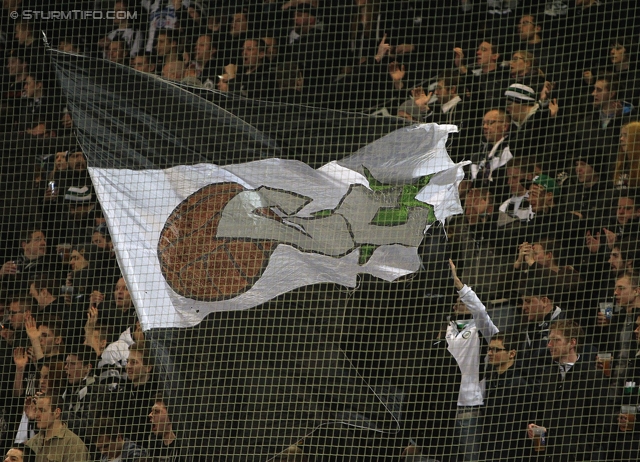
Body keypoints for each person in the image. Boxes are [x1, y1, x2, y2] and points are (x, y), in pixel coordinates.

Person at [526, 320, 606, 461]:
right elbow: (542, 412)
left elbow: (599, 425)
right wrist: (535, 427)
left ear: (572, 343)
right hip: (547, 456)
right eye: (550, 340)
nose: (549, 345)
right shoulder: (547, 375)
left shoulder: (592, 376)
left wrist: (578, 452)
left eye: (556, 340)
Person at [445, 259, 499, 461]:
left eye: (463, 300)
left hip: (469, 406)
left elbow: (480, 312)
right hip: (444, 405)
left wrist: (458, 284)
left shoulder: (481, 329)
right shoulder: (444, 329)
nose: (459, 303)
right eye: (457, 300)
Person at [483, 333, 532, 461]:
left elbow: (512, 429)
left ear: (512, 353)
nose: (490, 353)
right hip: (490, 448)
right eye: (489, 349)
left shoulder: (517, 384)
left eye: (496, 350)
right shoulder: (491, 380)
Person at [26, 394, 89, 462]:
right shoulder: (31, 443)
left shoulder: (74, 445)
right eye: (36, 410)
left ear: (57, 413)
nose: (36, 415)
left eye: (42, 410)